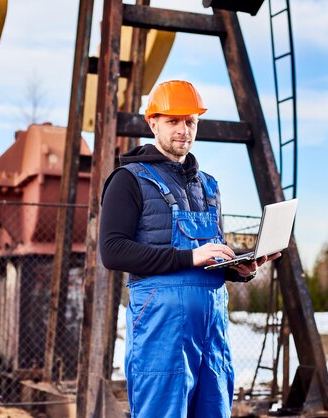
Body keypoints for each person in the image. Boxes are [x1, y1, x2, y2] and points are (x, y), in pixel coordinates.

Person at [99, 80, 280, 418]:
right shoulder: (129, 179)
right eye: (173, 121)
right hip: (160, 327)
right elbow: (112, 251)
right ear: (152, 123)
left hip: (211, 326)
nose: (184, 130)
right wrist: (188, 257)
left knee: (215, 409)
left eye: (191, 121)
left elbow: (211, 255)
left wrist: (239, 269)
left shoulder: (208, 186)